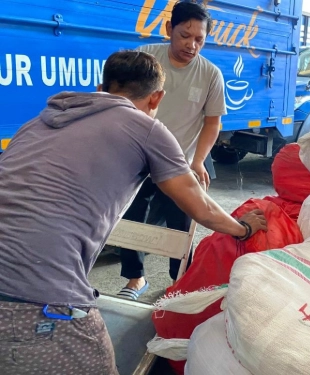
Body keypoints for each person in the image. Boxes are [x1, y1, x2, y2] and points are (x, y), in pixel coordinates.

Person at [0, 50, 266, 375]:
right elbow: (201, 208)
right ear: (157, 98)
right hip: (37, 298)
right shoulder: (146, 129)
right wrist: (244, 229)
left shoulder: (37, 122)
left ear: (101, 87)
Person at [117, 0, 227, 299]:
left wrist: (199, 161)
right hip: (138, 159)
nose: (191, 45)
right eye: (184, 35)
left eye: (199, 40)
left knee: (182, 223)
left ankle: (179, 280)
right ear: (169, 29)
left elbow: (212, 123)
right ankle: (135, 278)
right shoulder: (146, 61)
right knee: (132, 218)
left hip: (180, 163)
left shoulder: (210, 74)